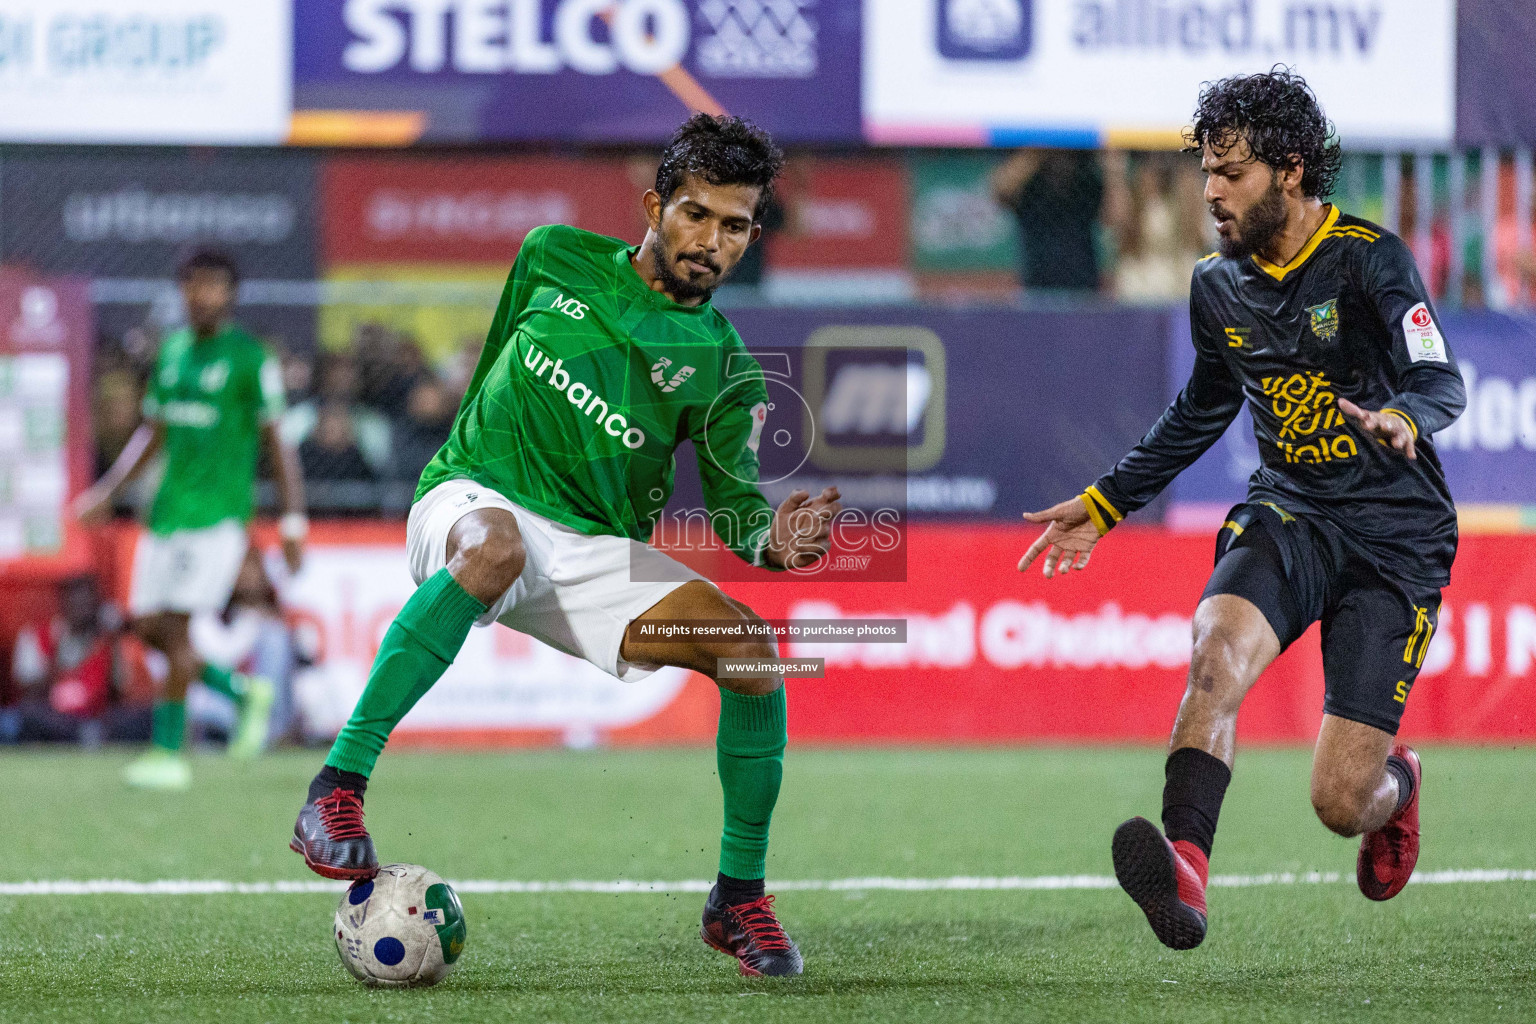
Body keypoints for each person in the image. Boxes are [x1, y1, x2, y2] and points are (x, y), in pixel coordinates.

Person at [288, 114, 840, 978]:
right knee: (499, 547)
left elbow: (736, 510)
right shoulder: (552, 255)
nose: (712, 242)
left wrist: (776, 542)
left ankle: (738, 899)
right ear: (656, 205)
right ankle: (337, 790)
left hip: (589, 552)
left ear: (752, 236)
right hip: (476, 496)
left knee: (753, 653)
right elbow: (493, 368)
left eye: (734, 227)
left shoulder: (725, 364)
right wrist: (469, 470)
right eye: (696, 215)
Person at [1018, 70, 1464, 950]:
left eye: (1233, 172)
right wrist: (1107, 503)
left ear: (1291, 170)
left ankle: (1398, 786)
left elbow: (1437, 375)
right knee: (1213, 657)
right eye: (1207, 173)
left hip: (1395, 536)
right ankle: (1185, 874)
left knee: (1341, 801)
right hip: (1290, 512)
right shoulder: (1216, 286)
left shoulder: (1370, 257)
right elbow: (1201, 409)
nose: (1212, 191)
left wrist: (1404, 417)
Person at [74, 248, 308, 790]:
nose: (201, 295)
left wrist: (293, 522)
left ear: (230, 295)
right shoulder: (173, 352)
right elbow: (151, 435)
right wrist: (108, 491)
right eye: (193, 285)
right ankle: (241, 693)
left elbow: (280, 445)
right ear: (182, 291)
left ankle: (167, 754)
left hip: (218, 518)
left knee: (175, 627)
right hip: (166, 516)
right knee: (147, 628)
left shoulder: (250, 359)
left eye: (213, 286)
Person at [3, 575, 149, 745]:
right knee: (27, 715)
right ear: (63, 604)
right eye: (76, 605)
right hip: (55, 719)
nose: (82, 611)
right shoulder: (38, 635)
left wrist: (114, 642)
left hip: (97, 721)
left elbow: (120, 691)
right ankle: (82, 737)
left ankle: (90, 736)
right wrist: (59, 654)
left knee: (142, 716)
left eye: (87, 605)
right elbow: (27, 691)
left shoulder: (105, 640)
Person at [991, 148, 1104, 292]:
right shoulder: (1029, 174)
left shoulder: (1086, 170)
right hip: (1036, 285)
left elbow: (1114, 217)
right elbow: (1001, 191)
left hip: (1084, 286)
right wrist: (1043, 145)